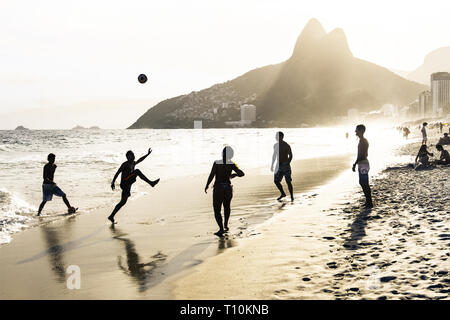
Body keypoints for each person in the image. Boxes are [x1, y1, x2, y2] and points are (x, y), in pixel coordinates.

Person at [108, 148, 160, 224]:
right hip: (125, 183)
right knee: (137, 171)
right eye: (131, 155)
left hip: (128, 184)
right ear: (128, 157)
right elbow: (118, 172)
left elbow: (140, 159)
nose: (133, 156)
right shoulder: (125, 164)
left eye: (133, 154)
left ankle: (111, 216)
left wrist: (147, 154)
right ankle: (151, 183)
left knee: (123, 202)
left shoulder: (133, 163)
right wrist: (113, 182)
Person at [205, 146, 244, 237]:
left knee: (217, 210)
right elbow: (242, 174)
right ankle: (226, 224)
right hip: (228, 188)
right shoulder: (231, 164)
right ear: (231, 155)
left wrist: (207, 185)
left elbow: (212, 175)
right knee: (227, 207)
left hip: (218, 188)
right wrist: (234, 174)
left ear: (222, 153)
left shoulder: (217, 163)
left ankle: (221, 228)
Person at [352, 124, 373, 208]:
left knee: (364, 183)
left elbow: (361, 155)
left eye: (356, 130)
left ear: (361, 131)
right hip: (364, 162)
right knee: (363, 183)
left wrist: (355, 164)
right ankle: (368, 201)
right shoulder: (364, 140)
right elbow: (365, 154)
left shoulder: (362, 141)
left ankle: (369, 202)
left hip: (363, 163)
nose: (355, 132)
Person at [271, 132, 294, 202]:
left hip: (285, 165)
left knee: (288, 181)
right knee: (276, 181)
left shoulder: (286, 145)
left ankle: (292, 197)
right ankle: (283, 193)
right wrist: (272, 164)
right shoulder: (275, 145)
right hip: (278, 165)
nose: (275, 137)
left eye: (277, 136)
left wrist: (288, 162)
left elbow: (291, 155)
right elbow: (274, 155)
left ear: (281, 137)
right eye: (275, 136)